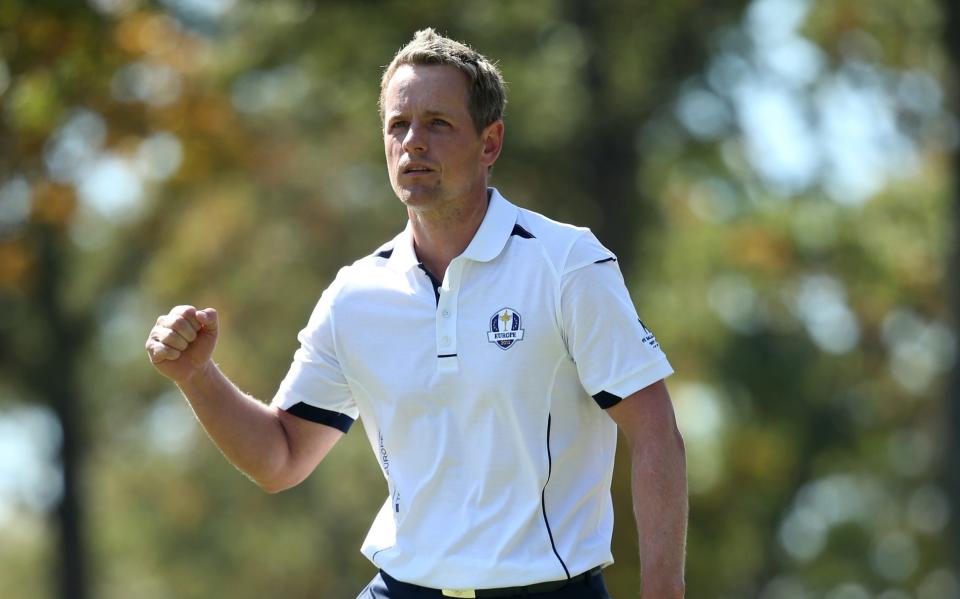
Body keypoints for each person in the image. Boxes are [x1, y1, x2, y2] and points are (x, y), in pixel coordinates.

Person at [145, 28, 687, 599]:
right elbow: (281, 457)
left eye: (438, 123)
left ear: (490, 143)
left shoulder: (567, 263)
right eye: (398, 125)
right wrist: (197, 377)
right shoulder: (354, 294)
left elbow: (655, 434)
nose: (413, 143)